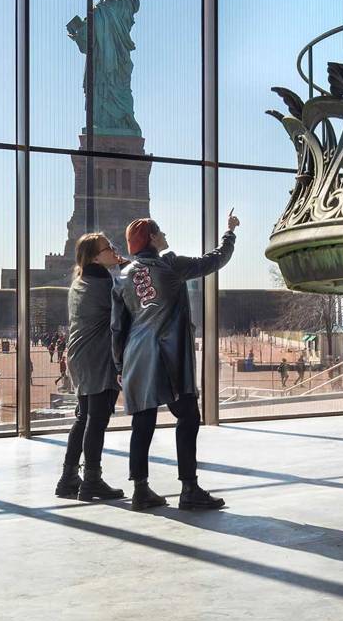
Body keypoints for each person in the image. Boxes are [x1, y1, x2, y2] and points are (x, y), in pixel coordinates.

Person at [112, 211, 239, 512]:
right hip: (169, 355)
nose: (165, 235)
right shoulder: (170, 263)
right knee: (188, 417)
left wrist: (120, 366)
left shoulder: (123, 276)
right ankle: (189, 488)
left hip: (136, 356)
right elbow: (214, 260)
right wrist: (230, 233)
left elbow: (118, 327)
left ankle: (140, 490)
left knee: (143, 422)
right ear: (153, 238)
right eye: (161, 232)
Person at [55, 232, 126, 502]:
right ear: (96, 256)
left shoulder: (81, 279)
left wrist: (117, 265)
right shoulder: (102, 281)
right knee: (97, 419)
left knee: (84, 417)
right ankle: (92, 481)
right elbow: (124, 306)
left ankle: (69, 478)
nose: (113, 250)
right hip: (98, 357)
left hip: (80, 357)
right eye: (108, 248)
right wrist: (122, 267)